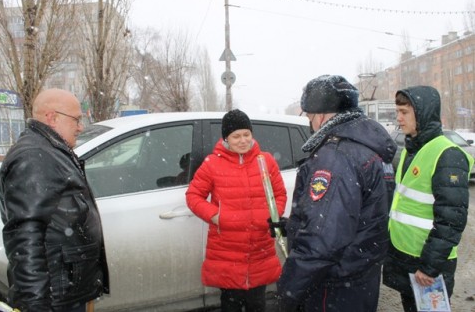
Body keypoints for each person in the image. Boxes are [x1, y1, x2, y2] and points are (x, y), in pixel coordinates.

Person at [276, 74, 397, 311]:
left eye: (309, 116)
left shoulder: (335, 157)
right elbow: (357, 217)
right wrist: (292, 226)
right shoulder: (370, 148)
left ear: (320, 116)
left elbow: (322, 241)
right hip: (361, 279)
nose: (310, 123)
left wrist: (288, 291)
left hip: (332, 289)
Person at [0, 89, 109, 312]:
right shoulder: (34, 157)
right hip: (56, 299)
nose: (81, 127)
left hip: (65, 292)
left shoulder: (50, 150)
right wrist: (36, 304)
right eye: (76, 119)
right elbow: (26, 236)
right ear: (52, 117)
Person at [186, 109, 287, 312]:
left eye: (246, 134)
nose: (243, 140)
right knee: (230, 303)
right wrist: (215, 216)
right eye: (236, 136)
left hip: (260, 247)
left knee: (257, 303)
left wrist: (271, 217)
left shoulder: (265, 161)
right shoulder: (212, 164)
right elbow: (193, 196)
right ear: (226, 138)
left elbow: (280, 195)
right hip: (227, 249)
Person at [383, 86, 473, 312]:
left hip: (427, 264)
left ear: (422, 114)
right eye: (397, 112)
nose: (398, 118)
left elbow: (451, 220)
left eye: (404, 112)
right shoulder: (410, 149)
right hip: (407, 255)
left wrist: (430, 267)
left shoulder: (447, 154)